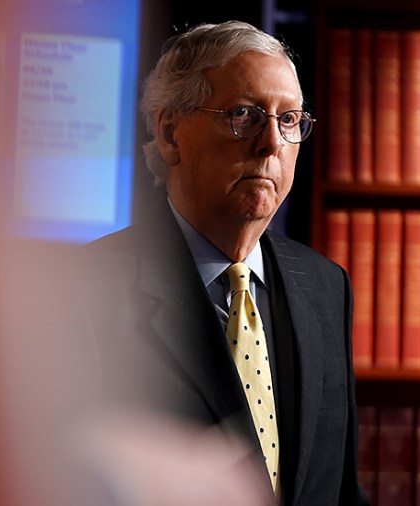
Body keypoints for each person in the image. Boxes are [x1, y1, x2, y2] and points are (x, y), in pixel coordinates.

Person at [75, 21, 369, 505]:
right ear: (170, 133)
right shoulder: (84, 291)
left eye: (290, 120)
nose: (272, 143)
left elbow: (340, 491)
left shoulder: (326, 287)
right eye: (244, 114)